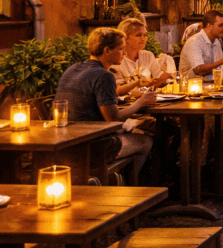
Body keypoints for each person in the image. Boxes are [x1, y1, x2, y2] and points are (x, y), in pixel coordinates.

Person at [55, 27, 156, 161]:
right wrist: (141, 101)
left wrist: (135, 84)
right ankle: (124, 180)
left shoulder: (72, 69)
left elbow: (99, 97)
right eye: (121, 49)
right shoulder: (104, 76)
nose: (124, 53)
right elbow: (114, 118)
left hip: (66, 142)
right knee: (146, 141)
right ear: (107, 50)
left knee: (130, 130)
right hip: (93, 146)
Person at [111, 18, 172, 93]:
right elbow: (118, 90)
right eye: (138, 35)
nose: (143, 39)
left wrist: (165, 78)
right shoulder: (115, 59)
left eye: (145, 35)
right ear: (124, 38)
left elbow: (158, 78)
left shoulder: (148, 55)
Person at [178, 9, 223, 79]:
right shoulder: (195, 41)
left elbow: (218, 69)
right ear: (209, 26)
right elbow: (198, 70)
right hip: (189, 85)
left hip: (209, 84)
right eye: (221, 25)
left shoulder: (217, 42)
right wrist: (221, 61)